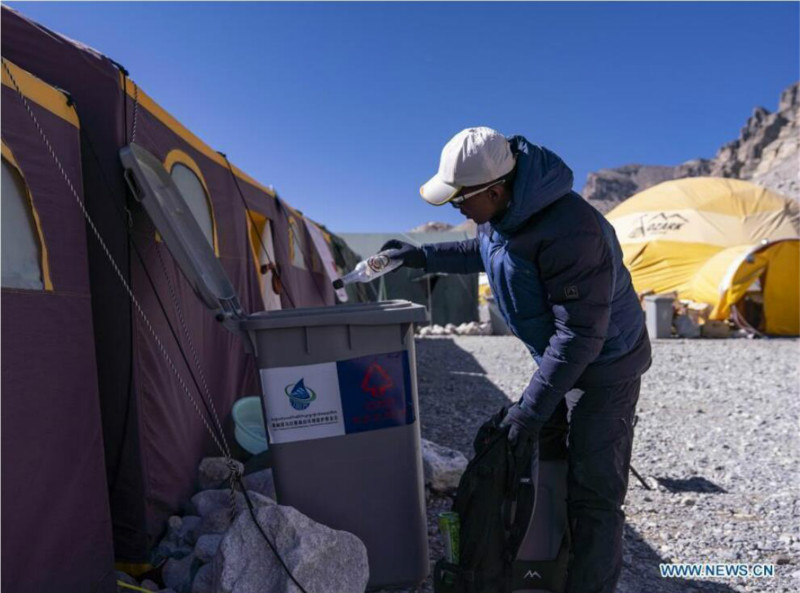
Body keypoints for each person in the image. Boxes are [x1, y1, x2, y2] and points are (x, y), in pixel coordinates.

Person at [383, 127, 651, 593]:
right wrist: (421, 258)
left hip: (607, 365)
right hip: (565, 357)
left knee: (594, 493)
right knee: (553, 467)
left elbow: (580, 334)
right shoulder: (501, 215)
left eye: (460, 200)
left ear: (495, 189)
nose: (458, 209)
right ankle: (553, 565)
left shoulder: (572, 230)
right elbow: (482, 251)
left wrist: (529, 409)